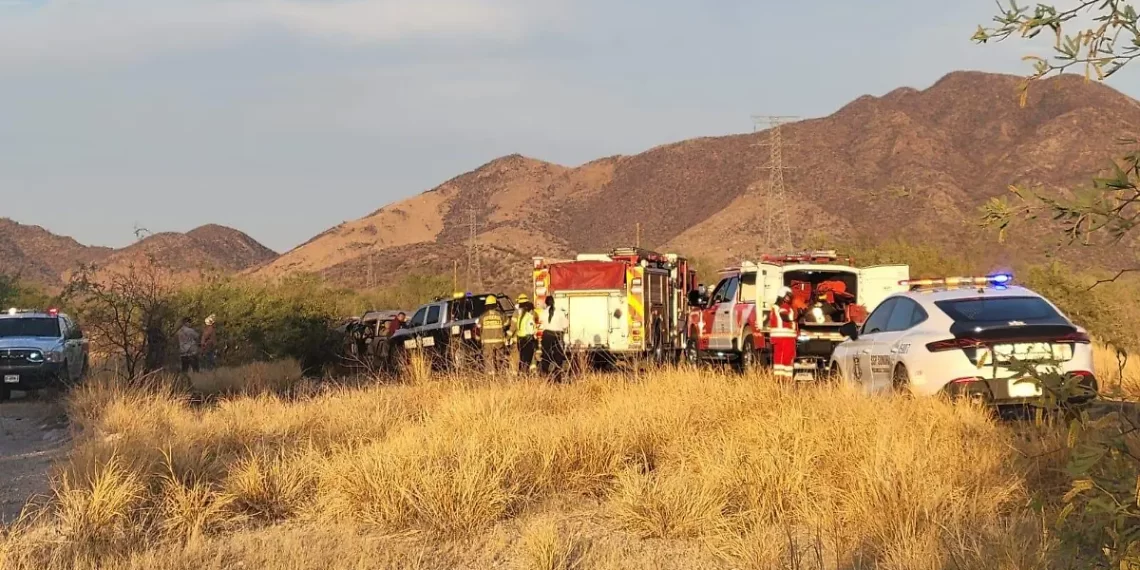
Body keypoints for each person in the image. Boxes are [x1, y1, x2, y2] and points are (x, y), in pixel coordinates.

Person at [769, 287, 798, 380]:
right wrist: (796, 315)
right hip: (784, 337)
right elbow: (784, 316)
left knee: (783, 359)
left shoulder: (776, 307)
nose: (789, 298)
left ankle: (782, 379)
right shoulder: (783, 307)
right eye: (787, 296)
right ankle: (784, 379)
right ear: (783, 296)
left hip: (783, 338)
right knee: (784, 359)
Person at [540, 295, 569, 382]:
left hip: (546, 335)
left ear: (546, 303)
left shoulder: (543, 313)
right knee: (558, 356)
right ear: (553, 302)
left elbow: (541, 324)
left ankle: (546, 375)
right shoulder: (560, 313)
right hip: (557, 335)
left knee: (545, 356)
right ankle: (558, 376)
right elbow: (565, 325)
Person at [475, 295, 507, 376]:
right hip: (499, 342)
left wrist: (478, 339)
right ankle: (500, 374)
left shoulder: (483, 317)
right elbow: (507, 323)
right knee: (499, 359)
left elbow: (478, 328)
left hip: (487, 343)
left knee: (488, 360)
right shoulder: (501, 315)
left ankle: (490, 376)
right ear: (495, 305)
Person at [513, 294, 541, 374]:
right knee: (528, 358)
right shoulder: (530, 315)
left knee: (522, 358)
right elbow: (532, 328)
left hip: (520, 339)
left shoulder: (518, 314)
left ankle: (521, 373)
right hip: (528, 339)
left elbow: (514, 327)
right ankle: (527, 373)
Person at [143, 310, 167, 374]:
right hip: (153, 349)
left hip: (156, 349)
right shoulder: (152, 331)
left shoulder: (157, 331)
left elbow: (164, 340)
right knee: (150, 364)